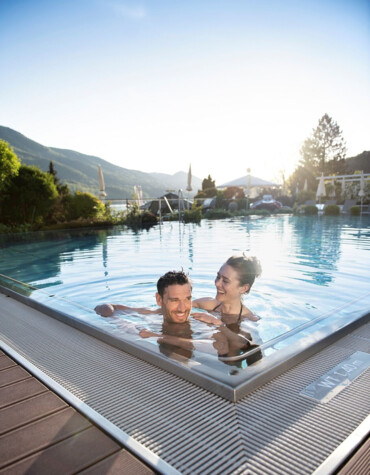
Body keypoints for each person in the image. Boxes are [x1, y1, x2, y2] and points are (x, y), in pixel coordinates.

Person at [94, 270, 192, 324]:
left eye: (187, 299)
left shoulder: (201, 321)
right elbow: (104, 307)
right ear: (159, 299)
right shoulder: (152, 314)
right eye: (174, 300)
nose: (182, 308)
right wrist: (114, 319)